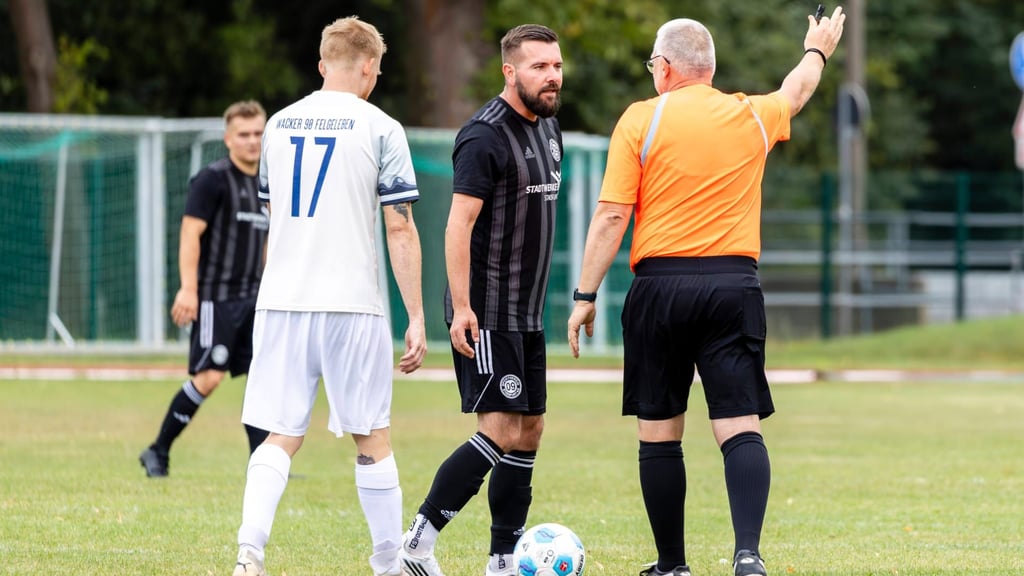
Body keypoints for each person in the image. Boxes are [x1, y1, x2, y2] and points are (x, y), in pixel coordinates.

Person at [567, 9, 845, 576]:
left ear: (666, 68)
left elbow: (613, 215)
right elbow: (796, 90)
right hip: (731, 285)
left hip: (660, 287)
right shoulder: (750, 113)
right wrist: (817, 48)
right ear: (710, 69)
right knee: (739, 424)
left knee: (660, 430)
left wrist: (584, 293)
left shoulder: (641, 119)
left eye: (652, 64)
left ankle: (672, 566)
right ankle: (748, 555)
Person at [229, 16, 427, 576]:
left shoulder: (278, 125)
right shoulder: (382, 127)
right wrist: (415, 316)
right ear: (368, 66)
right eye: (378, 70)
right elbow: (400, 227)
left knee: (280, 434)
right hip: (351, 304)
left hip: (283, 300)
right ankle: (390, 564)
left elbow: (275, 219)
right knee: (372, 437)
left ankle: (250, 553)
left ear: (322, 64)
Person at [399, 23, 563, 576]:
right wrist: (462, 307)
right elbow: (457, 225)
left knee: (530, 429)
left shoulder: (549, 128)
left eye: (556, 65)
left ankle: (502, 559)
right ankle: (417, 542)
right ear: (509, 72)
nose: (552, 76)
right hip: (487, 309)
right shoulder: (483, 135)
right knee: (496, 430)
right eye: (539, 66)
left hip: (528, 312)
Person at [139, 100, 270, 478]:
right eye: (244, 134)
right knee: (209, 377)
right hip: (216, 297)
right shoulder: (212, 179)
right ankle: (157, 451)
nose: (252, 141)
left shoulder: (266, 183)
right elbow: (189, 234)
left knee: (261, 381)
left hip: (255, 299)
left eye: (258, 133)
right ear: (228, 139)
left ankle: (262, 465)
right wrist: (189, 289)